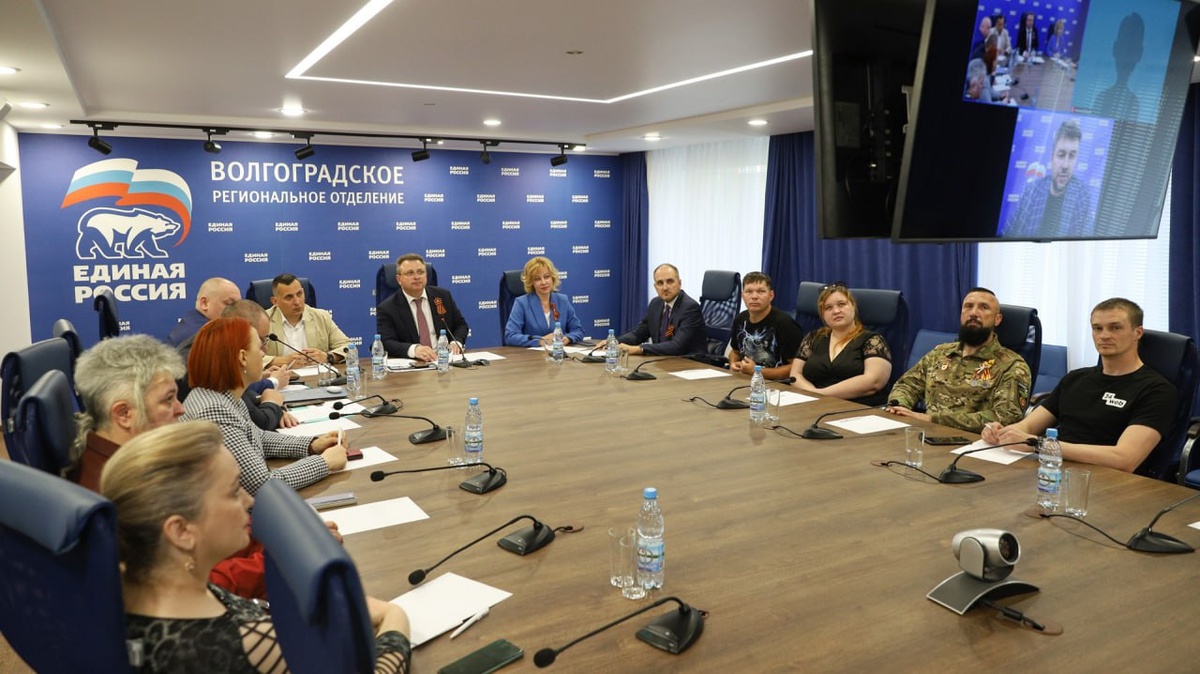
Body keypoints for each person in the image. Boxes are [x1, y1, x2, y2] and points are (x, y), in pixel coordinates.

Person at [102, 421, 411, 673]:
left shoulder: (136, 586)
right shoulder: (247, 644)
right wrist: (394, 620)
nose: (248, 500)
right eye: (233, 492)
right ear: (181, 531)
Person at [983, 298, 1175, 474]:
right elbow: (1029, 425)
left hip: (1108, 480)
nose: (1104, 335)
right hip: (1052, 470)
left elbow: (1125, 459)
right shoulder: (1076, 378)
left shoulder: (1157, 391)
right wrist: (1001, 433)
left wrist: (1040, 445)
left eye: (1115, 328)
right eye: (1097, 328)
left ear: (1137, 333)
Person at [182, 316, 347, 494]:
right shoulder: (214, 411)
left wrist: (311, 445)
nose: (263, 354)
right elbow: (262, 485)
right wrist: (324, 462)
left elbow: (257, 437)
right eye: (259, 347)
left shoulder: (223, 396)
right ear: (243, 357)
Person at [887, 288, 1031, 432]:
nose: (973, 313)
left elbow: (1006, 417)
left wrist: (932, 419)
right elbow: (907, 384)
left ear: (997, 319)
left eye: (984, 307)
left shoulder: (1012, 365)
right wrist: (899, 407)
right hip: (924, 433)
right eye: (968, 306)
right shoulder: (940, 353)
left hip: (973, 441)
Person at [69, 334, 186, 491]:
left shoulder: (112, 457)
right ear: (123, 414)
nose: (181, 409)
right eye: (168, 399)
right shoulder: (127, 492)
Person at [789, 284, 893, 405]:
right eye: (828, 308)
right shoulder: (813, 337)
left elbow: (873, 382)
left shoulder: (873, 341)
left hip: (859, 407)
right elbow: (795, 375)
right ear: (822, 315)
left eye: (841, 304)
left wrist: (821, 394)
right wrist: (813, 394)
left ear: (853, 306)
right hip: (815, 404)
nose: (836, 311)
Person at [1002, 119, 1093, 239]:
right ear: (1052, 157)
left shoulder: (1083, 196)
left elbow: (1085, 242)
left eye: (1072, 156)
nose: (1065, 165)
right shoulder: (1032, 191)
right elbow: (1008, 234)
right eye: (1061, 155)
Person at [377, 253, 469, 361]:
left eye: (420, 272)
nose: (417, 277)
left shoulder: (442, 296)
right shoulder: (387, 308)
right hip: (415, 363)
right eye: (410, 273)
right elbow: (386, 341)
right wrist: (414, 349)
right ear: (399, 279)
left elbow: (461, 325)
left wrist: (456, 342)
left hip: (445, 360)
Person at [616, 263, 706, 356]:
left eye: (670, 282)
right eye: (660, 283)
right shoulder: (655, 304)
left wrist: (638, 349)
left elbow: (677, 346)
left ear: (679, 283)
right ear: (655, 287)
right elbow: (638, 334)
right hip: (663, 359)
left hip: (689, 361)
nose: (665, 287)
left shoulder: (690, 308)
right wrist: (614, 342)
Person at [263, 273, 351, 367]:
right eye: (289, 297)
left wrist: (328, 357)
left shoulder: (321, 317)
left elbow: (349, 348)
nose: (297, 302)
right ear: (275, 301)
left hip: (316, 375)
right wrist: (281, 361)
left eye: (299, 294)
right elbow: (251, 357)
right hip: (280, 375)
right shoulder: (262, 321)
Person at [728, 272, 802, 381]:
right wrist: (733, 363)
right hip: (745, 380)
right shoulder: (740, 320)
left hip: (777, 385)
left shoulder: (785, 325)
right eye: (749, 292)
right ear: (742, 296)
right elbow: (735, 352)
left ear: (771, 295)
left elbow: (797, 367)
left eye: (761, 291)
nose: (754, 297)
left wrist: (757, 371)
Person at [504, 256, 585, 347]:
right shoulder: (521, 303)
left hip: (559, 352)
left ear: (552, 278)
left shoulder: (562, 300)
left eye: (546, 277)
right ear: (531, 282)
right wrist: (540, 341)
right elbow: (510, 336)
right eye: (537, 279)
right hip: (532, 355)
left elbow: (578, 330)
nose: (543, 282)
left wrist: (568, 338)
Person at [166, 277, 240, 347]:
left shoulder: (192, 325)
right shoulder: (202, 338)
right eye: (229, 303)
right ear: (204, 303)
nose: (236, 310)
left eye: (238, 305)